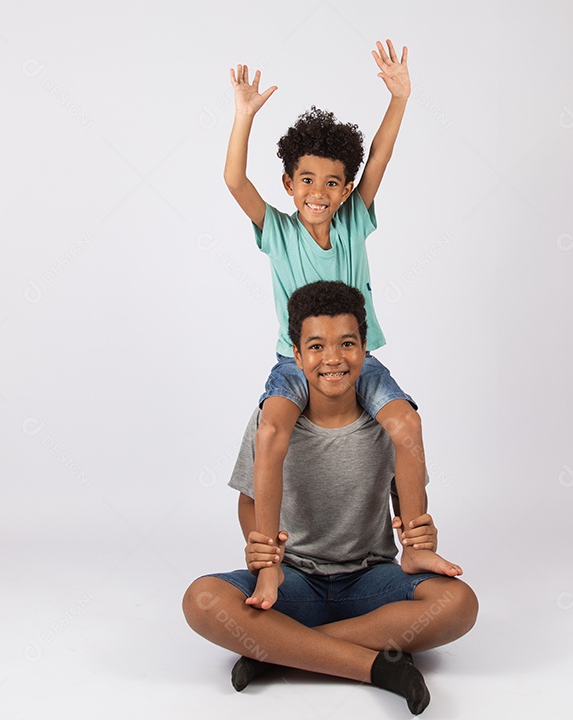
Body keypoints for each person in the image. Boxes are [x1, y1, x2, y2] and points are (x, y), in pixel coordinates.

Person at [224, 39, 447, 614]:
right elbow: (233, 181)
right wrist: (244, 115)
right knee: (271, 433)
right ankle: (269, 567)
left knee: (405, 422)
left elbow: (378, 158)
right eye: (306, 181)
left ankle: (415, 543)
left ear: (345, 190)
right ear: (288, 185)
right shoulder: (276, 231)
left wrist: (398, 99)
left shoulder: (354, 221)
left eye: (331, 183)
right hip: (293, 361)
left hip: (360, 358)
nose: (318, 193)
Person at [183, 281, 477, 716]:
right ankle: (376, 666)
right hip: (293, 581)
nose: (333, 359)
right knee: (201, 599)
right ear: (297, 356)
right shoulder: (272, 418)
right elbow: (249, 500)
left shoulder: (386, 421)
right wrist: (263, 553)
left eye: (347, 344)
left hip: (369, 581)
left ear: (365, 350)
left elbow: (407, 497)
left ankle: (280, 649)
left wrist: (419, 536)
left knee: (459, 604)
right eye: (316, 346)